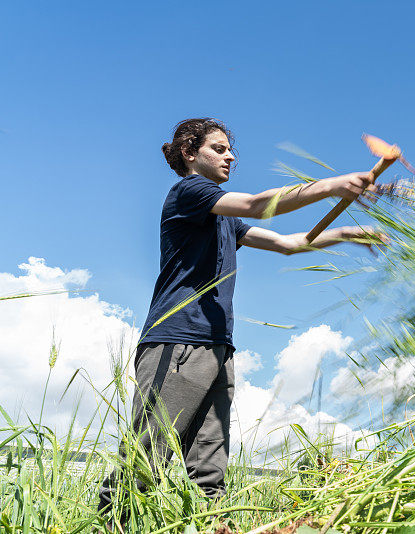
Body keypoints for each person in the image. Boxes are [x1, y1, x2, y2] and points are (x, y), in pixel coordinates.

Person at [97, 118, 385, 523]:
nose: (230, 155)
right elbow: (255, 205)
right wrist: (330, 185)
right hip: (177, 342)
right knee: (146, 463)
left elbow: (290, 244)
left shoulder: (225, 220)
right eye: (219, 148)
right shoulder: (190, 191)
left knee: (210, 478)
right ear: (189, 153)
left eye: (230, 149)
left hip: (218, 349)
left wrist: (351, 234)